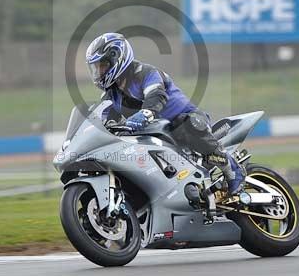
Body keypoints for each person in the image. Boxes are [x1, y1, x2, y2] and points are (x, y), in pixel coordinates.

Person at [85, 32, 245, 194]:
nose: (99, 72)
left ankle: (232, 169)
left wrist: (145, 113)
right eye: (96, 67)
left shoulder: (145, 73)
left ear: (116, 58)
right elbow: (104, 122)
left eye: (103, 65)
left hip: (187, 122)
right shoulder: (110, 94)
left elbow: (156, 95)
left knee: (189, 125)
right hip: (156, 134)